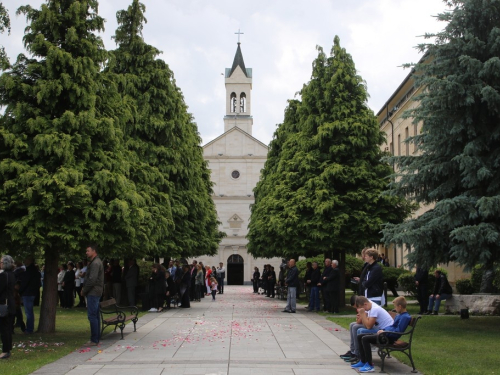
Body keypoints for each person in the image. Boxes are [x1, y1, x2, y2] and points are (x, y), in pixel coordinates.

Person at [352, 296, 411, 373]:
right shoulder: (399, 315)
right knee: (360, 336)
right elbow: (392, 326)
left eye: (395, 307)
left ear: (400, 306)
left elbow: (398, 331)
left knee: (365, 338)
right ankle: (363, 361)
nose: (395, 308)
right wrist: (383, 330)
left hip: (389, 338)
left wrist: (384, 332)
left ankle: (369, 365)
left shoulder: (405, 317)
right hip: (385, 334)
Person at [341, 296, 394, 364]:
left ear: (365, 304)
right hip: (379, 328)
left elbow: (368, 326)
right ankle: (353, 352)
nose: (359, 310)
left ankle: (358, 355)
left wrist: (363, 315)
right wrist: (362, 316)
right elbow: (361, 322)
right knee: (353, 325)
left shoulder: (374, 309)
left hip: (384, 332)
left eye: (359, 308)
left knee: (360, 330)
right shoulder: (368, 306)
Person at [81, 245, 104, 346]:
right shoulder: (97, 261)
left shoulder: (95, 263)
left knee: (92, 315)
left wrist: (84, 290)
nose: (86, 252)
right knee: (95, 315)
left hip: (93, 292)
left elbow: (92, 279)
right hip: (96, 291)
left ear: (94, 251)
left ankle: (94, 339)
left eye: (88, 251)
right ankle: (96, 338)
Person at [19, 256, 41, 334]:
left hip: (28, 293)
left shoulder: (29, 270)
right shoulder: (35, 270)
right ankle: (29, 328)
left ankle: (29, 329)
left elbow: (25, 282)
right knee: (29, 311)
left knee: (28, 312)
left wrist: (20, 290)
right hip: (32, 292)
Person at [0, 255, 16, 359]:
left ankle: (6, 350)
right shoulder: (11, 274)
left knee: (4, 328)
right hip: (10, 303)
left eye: (1, 262)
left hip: (4, 304)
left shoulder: (4, 275)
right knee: (7, 328)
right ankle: (7, 349)